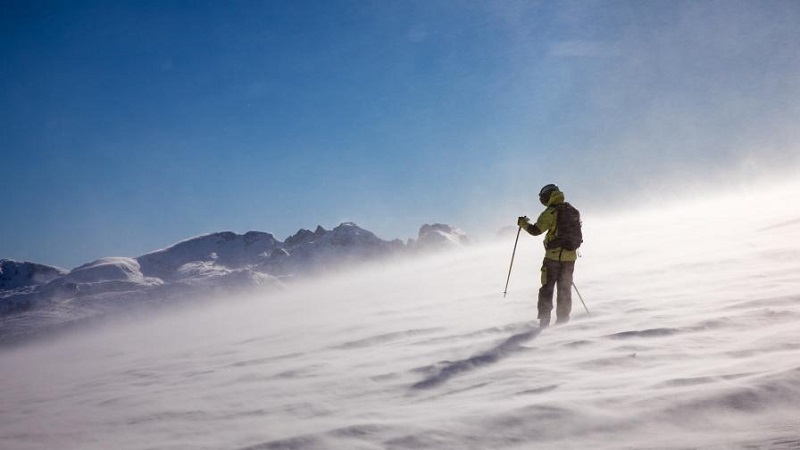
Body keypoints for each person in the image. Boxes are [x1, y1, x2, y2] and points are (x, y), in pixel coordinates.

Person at [517, 184, 579, 328]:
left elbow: (535, 230)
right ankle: (563, 322)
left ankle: (544, 322)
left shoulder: (550, 212)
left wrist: (523, 223)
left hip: (552, 257)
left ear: (548, 197)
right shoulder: (573, 211)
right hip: (570, 258)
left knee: (547, 288)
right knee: (565, 289)